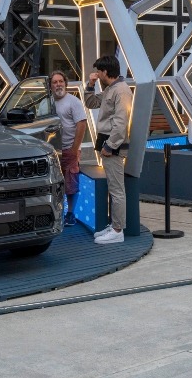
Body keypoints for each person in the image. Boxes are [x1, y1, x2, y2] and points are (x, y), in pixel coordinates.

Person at [85, 55, 132, 245]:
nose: (97, 74)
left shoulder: (121, 90)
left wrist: (110, 146)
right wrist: (90, 85)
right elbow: (91, 103)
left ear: (105, 71)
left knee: (116, 189)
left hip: (112, 144)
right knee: (113, 187)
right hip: (107, 141)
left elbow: (121, 122)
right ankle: (114, 226)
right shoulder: (111, 89)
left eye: (98, 71)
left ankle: (117, 230)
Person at [50, 70, 87, 227]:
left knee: (71, 184)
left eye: (61, 81)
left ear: (65, 83)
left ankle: (70, 214)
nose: (58, 84)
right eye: (55, 82)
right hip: (53, 152)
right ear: (50, 86)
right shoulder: (48, 103)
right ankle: (56, 214)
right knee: (54, 185)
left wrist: (74, 149)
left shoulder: (73, 102)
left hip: (69, 150)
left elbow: (82, 124)